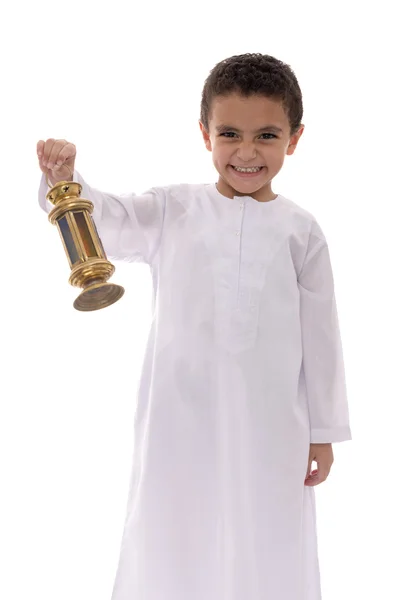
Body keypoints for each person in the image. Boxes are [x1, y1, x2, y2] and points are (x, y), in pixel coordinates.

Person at [37, 53, 352, 600]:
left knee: (267, 535)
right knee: (173, 530)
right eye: (230, 133)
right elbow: (105, 221)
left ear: (294, 139)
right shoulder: (173, 210)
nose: (247, 152)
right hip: (180, 417)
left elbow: (322, 336)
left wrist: (323, 431)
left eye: (267, 135)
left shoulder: (302, 231)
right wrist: (65, 180)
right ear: (204, 133)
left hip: (271, 423)